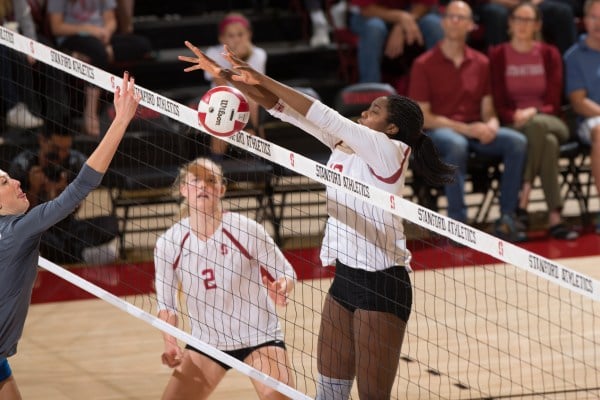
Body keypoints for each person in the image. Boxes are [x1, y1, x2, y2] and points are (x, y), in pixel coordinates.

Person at [178, 40, 455, 399]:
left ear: (391, 129)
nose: (363, 114)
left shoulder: (390, 152)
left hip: (382, 284)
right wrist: (230, 79)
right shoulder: (346, 144)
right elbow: (284, 109)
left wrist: (259, 75)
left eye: (373, 111)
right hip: (345, 280)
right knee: (329, 391)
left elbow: (324, 113)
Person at [0, 71, 140, 400]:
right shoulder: (16, 232)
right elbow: (79, 188)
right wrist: (120, 121)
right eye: (5, 183)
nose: (17, 182)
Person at [154, 157, 297, 400]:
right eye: (195, 180)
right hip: (208, 343)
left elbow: (286, 272)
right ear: (184, 190)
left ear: (221, 190)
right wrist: (170, 343)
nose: (203, 186)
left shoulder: (246, 229)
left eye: (211, 180)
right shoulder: (169, 243)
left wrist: (282, 287)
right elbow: (166, 306)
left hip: (258, 336)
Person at [409, 0, 528, 242]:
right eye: (451, 16)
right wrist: (466, 129)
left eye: (461, 17)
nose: (455, 21)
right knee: (456, 144)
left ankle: (507, 217)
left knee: (516, 141)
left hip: (474, 130)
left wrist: (492, 125)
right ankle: (457, 223)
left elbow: (488, 109)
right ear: (443, 23)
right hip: (439, 133)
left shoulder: (481, 62)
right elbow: (424, 118)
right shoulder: (423, 64)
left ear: (471, 25)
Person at [489, 2, 578, 240]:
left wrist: (531, 112)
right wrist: (514, 117)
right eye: (518, 18)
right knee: (546, 143)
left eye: (528, 20)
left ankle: (524, 197)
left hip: (551, 120)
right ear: (510, 23)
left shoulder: (549, 53)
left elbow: (553, 103)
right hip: (515, 125)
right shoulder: (498, 55)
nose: (522, 24)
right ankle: (555, 218)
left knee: (540, 127)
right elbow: (498, 102)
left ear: (537, 25)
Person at [9, 121, 120, 263]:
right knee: (38, 238)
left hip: (67, 227)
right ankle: (78, 255)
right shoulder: (22, 165)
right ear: (42, 141)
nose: (61, 154)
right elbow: (18, 217)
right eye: (56, 149)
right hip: (37, 228)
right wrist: (34, 191)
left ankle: (65, 255)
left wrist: (64, 196)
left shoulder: (75, 162)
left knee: (110, 224)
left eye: (66, 149)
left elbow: (76, 210)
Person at [47, 0, 152, 136]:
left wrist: (106, 33)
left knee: (142, 44)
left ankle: (94, 54)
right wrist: (90, 30)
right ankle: (90, 113)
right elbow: (57, 27)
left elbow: (111, 20)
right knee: (98, 52)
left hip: (100, 39)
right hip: (72, 38)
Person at [203, 12, 266, 161]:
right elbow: (221, 84)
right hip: (220, 98)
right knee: (223, 109)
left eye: (240, 34)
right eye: (231, 36)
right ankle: (216, 162)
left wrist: (240, 59)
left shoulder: (259, 54)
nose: (236, 39)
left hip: (249, 99)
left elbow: (253, 86)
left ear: (249, 34)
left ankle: (261, 160)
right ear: (222, 38)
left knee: (253, 104)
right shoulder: (212, 53)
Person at [564, 0, 600, 233]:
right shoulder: (574, 56)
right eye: (594, 17)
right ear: (585, 20)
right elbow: (578, 102)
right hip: (590, 121)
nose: (599, 23)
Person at [348, 0, 443, 83]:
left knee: (434, 25)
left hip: (413, 14)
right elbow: (367, 9)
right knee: (374, 28)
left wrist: (400, 26)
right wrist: (400, 17)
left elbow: (424, 4)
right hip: (372, 14)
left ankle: (441, 84)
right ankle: (369, 88)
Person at [473, 0, 577, 54]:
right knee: (497, 15)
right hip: (497, 3)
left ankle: (569, 80)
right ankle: (498, 70)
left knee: (562, 12)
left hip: (533, 2)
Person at [1, 0, 44, 129]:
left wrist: (31, 48)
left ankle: (35, 112)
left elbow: (26, 20)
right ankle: (13, 107)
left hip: (10, 40)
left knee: (22, 57)